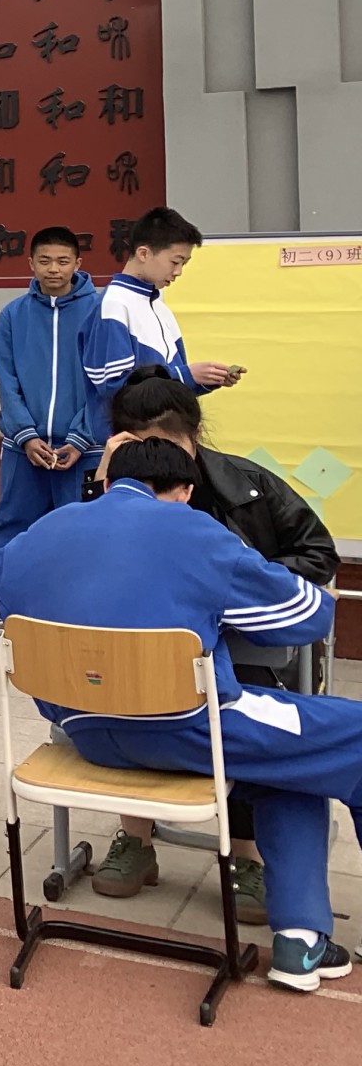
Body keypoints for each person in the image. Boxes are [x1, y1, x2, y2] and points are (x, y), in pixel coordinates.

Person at [0, 437, 355, 993]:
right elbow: (305, 616)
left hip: (86, 732)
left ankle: (302, 939)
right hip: (189, 729)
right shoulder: (197, 532)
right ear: (186, 491)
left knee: (290, 766)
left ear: (106, 481)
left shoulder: (47, 529)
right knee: (342, 741)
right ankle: (299, 940)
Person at [74, 366, 343, 921]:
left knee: (251, 707)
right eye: (136, 447)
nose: (154, 461)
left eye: (167, 447)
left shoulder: (249, 484)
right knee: (127, 696)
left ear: (195, 436)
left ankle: (246, 855)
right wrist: (101, 486)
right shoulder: (105, 496)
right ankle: (137, 840)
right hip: (140, 666)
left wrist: (240, 591)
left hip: (247, 652)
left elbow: (318, 555)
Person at [83, 206, 242, 439]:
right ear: (143, 253)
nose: (178, 272)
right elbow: (115, 388)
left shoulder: (159, 307)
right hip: (131, 443)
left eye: (184, 264)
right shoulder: (114, 304)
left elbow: (170, 384)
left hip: (166, 440)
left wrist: (206, 379)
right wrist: (185, 375)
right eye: (175, 262)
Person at [0, 226, 100, 551]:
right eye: (45, 261)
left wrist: (80, 437)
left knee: (83, 534)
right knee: (10, 529)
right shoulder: (13, 315)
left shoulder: (100, 312)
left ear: (77, 264)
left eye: (63, 261)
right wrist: (26, 436)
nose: (54, 269)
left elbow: (104, 384)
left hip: (84, 450)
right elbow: (7, 381)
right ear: (31, 264)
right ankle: (2, 585)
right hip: (24, 450)